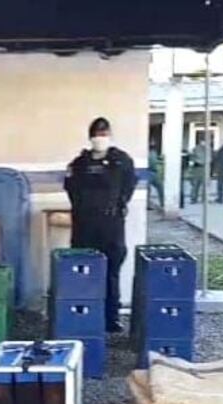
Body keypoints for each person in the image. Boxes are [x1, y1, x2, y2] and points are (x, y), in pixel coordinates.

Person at [65, 117, 136, 333]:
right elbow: (71, 189)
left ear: (110, 135)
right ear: (90, 136)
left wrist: (117, 206)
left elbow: (128, 187)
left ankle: (111, 318)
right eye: (97, 133)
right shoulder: (79, 163)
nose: (100, 137)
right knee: (83, 271)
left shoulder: (121, 160)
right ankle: (84, 315)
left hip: (111, 225)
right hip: (85, 225)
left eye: (104, 133)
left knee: (111, 272)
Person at [188, 140, 206, 204]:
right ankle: (193, 199)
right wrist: (190, 169)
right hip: (197, 168)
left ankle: (203, 199)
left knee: (203, 185)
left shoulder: (207, 149)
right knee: (195, 185)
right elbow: (191, 159)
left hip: (204, 168)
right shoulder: (196, 149)